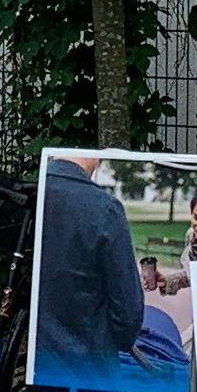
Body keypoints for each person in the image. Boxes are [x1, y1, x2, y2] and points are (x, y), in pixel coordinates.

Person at [31, 153, 146, 371]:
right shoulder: (105, 209)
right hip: (89, 364)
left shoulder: (30, 195)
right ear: (96, 158)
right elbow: (127, 310)